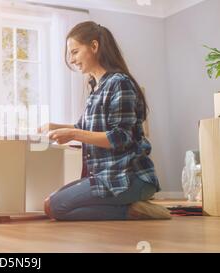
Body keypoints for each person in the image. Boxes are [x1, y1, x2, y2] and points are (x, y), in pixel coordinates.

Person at [41, 21, 171, 221]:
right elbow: (83, 128)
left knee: (55, 207)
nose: (72, 59)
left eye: (75, 52)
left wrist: (73, 134)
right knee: (51, 202)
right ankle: (129, 208)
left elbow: (121, 137)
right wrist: (55, 127)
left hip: (129, 178)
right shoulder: (96, 87)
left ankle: (133, 210)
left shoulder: (119, 83)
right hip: (105, 176)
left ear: (94, 47)